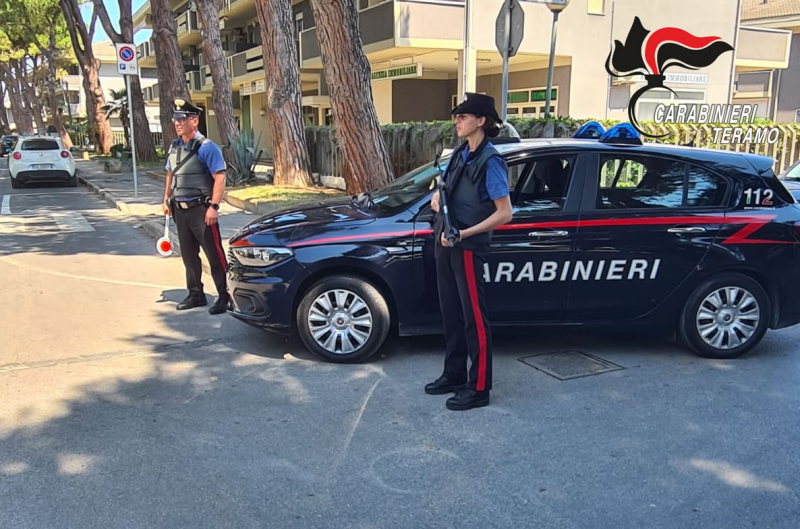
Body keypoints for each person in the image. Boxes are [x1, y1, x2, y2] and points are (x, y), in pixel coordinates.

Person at [425, 93, 513, 411]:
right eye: (456, 117)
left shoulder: (492, 161)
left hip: (467, 247)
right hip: (446, 243)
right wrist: (436, 198)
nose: (457, 121)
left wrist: (464, 234)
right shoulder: (462, 152)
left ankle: (478, 388)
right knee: (451, 314)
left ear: (481, 121)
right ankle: (453, 374)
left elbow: (505, 213)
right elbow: (444, 186)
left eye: (463, 116)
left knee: (474, 319)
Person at [162, 98, 230, 315]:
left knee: (214, 254)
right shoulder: (175, 147)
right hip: (180, 210)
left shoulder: (207, 148)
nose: (177, 123)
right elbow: (170, 173)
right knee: (189, 255)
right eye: (175, 119)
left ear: (194, 120)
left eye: (181, 119)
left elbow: (219, 178)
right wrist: (166, 198)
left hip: (202, 210)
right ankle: (195, 294)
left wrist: (214, 207)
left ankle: (225, 295)